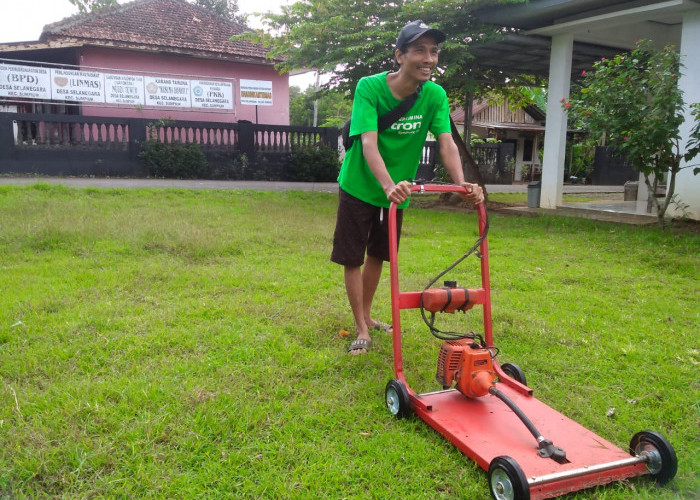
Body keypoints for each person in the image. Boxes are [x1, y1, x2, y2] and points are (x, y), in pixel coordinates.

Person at [331, 20, 484, 355]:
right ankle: (360, 326)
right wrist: (387, 186)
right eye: (419, 50)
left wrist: (462, 185)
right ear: (400, 56)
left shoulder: (434, 95)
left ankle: (368, 316)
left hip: (398, 192)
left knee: (379, 255)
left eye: (433, 51)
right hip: (361, 185)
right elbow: (368, 143)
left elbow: (446, 143)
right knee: (353, 257)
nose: (428, 58)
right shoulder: (369, 88)